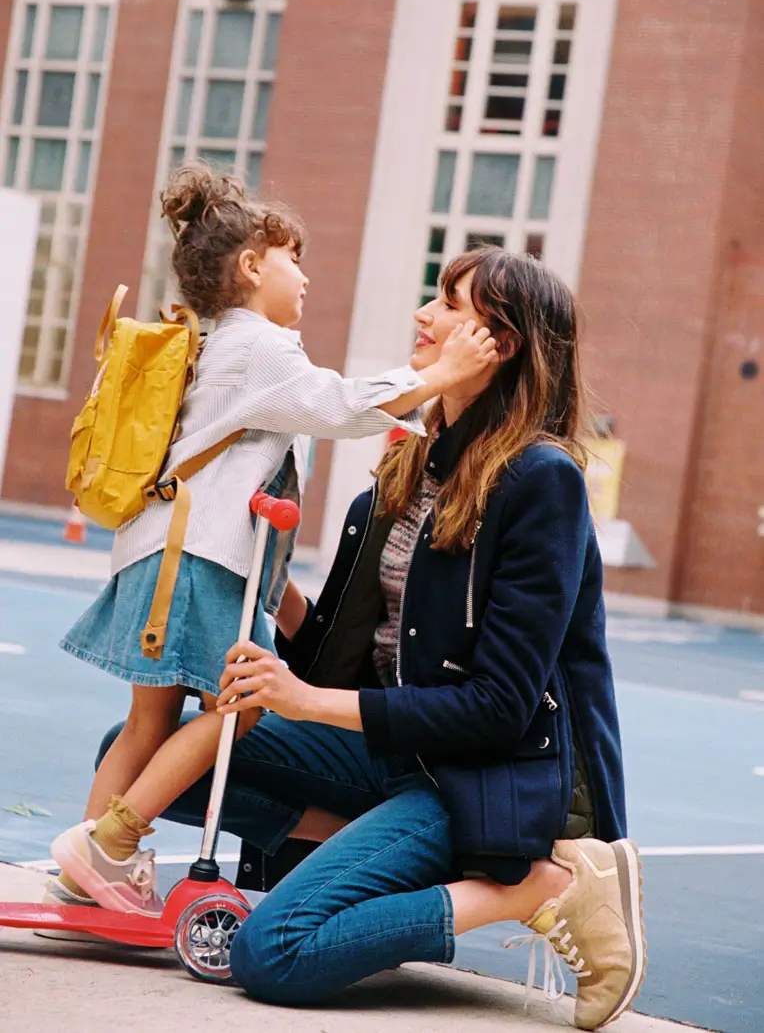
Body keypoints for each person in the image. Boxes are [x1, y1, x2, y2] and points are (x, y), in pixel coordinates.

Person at [95, 247, 645, 1030]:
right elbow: (333, 655)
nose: (424, 317)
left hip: (477, 772)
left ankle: (539, 887)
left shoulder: (540, 482)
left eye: (450, 305)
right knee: (144, 755)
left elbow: (497, 708)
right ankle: (403, 856)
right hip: (389, 756)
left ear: (504, 343)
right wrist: (254, 584)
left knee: (274, 953)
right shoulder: (409, 472)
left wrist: (306, 702)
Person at [48, 168, 498, 918]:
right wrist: (444, 373)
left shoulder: (215, 343)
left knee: (149, 719)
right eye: (295, 260)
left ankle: (84, 865)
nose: (306, 276)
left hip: (160, 549)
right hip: (202, 559)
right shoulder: (260, 347)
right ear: (254, 266)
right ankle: (115, 842)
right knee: (241, 708)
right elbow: (343, 404)